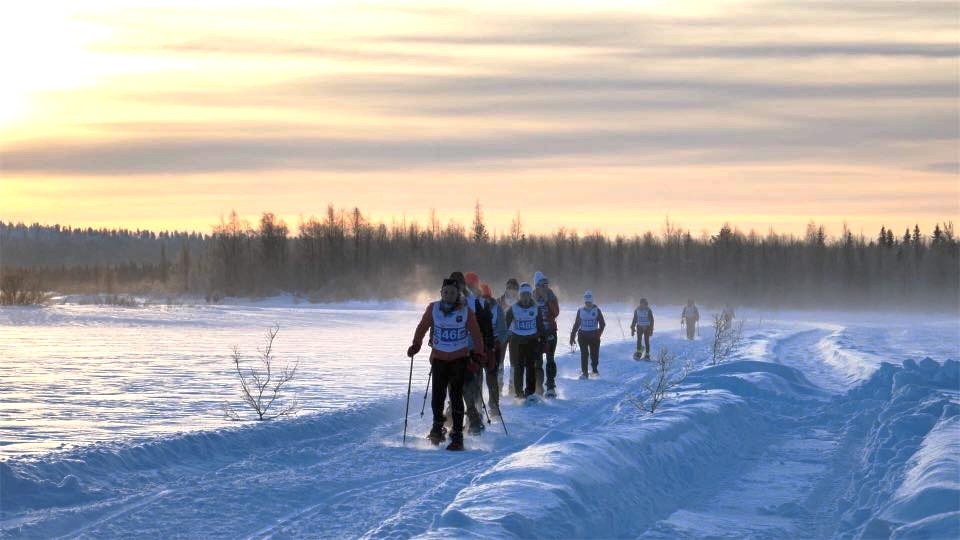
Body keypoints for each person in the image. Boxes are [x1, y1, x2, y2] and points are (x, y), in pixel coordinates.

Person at [407, 278, 485, 451]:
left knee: (456, 395)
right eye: (446, 292)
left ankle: (457, 434)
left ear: (458, 294)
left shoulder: (466, 311)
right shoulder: (433, 308)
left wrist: (479, 354)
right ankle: (437, 428)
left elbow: (476, 334)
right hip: (439, 359)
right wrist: (416, 345)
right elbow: (422, 327)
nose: (449, 295)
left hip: (459, 359)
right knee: (438, 396)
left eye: (452, 292)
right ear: (441, 293)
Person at [462, 272, 495, 434]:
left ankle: (476, 415)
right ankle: (459, 414)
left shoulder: (481, 303)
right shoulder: (458, 301)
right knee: (459, 385)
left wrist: (488, 349)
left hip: (476, 350)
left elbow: (487, 328)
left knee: (475, 383)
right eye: (467, 285)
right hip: (459, 350)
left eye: (472, 285)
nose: (470, 288)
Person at [504, 282, 546, 399]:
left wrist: (542, 340)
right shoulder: (514, 308)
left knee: (531, 366)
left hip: (532, 340)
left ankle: (530, 392)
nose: (525, 298)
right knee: (518, 367)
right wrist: (504, 338)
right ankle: (519, 393)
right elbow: (505, 325)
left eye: (527, 294)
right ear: (520, 296)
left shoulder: (536, 308)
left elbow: (540, 326)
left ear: (530, 295)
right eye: (523, 295)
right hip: (517, 341)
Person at [482, 283, 507, 417]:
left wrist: (497, 343)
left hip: (493, 348)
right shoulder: (474, 308)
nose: (484, 299)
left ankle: (494, 406)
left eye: (486, 296)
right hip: (478, 347)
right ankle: (476, 406)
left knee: (491, 377)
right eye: (481, 297)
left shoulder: (497, 309)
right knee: (476, 378)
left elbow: (503, 331)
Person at [533, 271, 560, 397]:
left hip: (550, 331)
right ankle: (538, 388)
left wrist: (547, 300)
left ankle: (550, 387)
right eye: (542, 284)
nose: (545, 286)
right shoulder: (531, 296)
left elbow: (556, 313)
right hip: (537, 334)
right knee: (537, 361)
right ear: (537, 285)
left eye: (546, 284)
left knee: (550, 359)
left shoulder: (551, 295)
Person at [569, 291, 606, 377]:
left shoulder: (597, 310)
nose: (588, 303)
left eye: (589, 302)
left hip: (594, 336)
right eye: (586, 302)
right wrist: (572, 336)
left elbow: (602, 324)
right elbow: (576, 324)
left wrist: (599, 333)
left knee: (594, 354)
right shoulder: (580, 311)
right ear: (584, 301)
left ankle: (594, 370)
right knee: (584, 354)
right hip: (583, 336)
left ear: (592, 301)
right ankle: (585, 372)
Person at [499, 278, 520, 397]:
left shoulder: (519, 301)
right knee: (499, 361)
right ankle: (499, 385)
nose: (511, 291)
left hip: (515, 334)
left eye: (514, 289)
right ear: (506, 289)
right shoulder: (500, 301)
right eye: (509, 288)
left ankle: (512, 386)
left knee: (514, 362)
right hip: (502, 334)